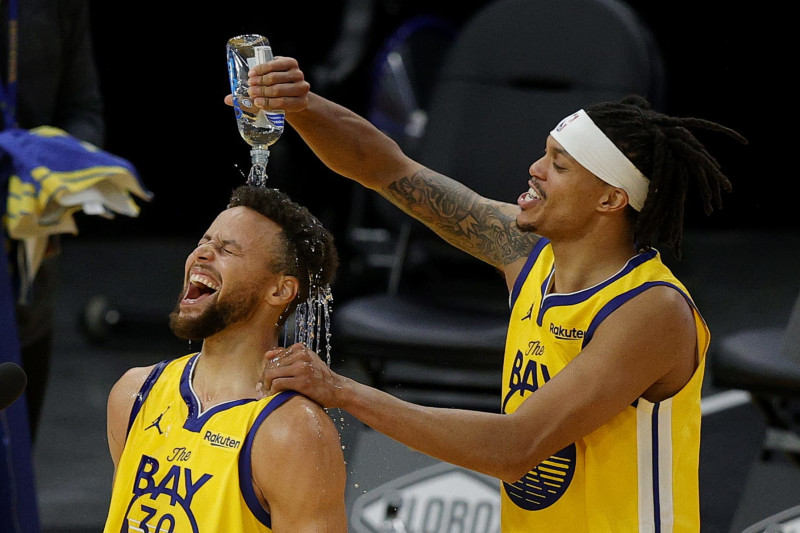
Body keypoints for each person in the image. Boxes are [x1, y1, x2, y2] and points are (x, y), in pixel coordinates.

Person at [241, 57, 747, 530]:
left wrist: (343, 390)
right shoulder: (525, 252)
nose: (535, 168)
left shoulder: (650, 309)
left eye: (561, 165)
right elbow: (384, 168)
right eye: (544, 153)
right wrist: (303, 106)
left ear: (611, 199)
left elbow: (516, 447)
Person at [102, 185, 347, 532]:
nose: (202, 254)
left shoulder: (293, 433)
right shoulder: (133, 393)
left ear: (279, 290)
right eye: (204, 242)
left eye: (227, 250)